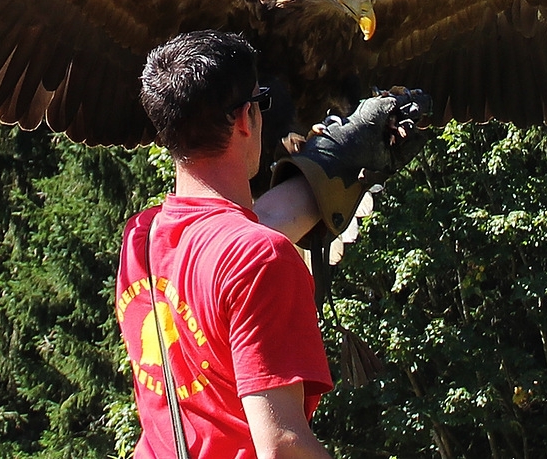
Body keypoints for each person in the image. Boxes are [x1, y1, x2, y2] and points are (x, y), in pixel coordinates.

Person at [115, 30, 428, 458]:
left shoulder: (143, 240)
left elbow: (236, 245)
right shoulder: (259, 258)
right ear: (247, 118)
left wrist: (334, 162)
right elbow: (281, 445)